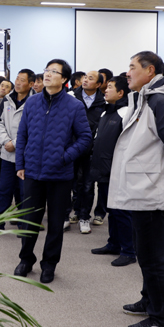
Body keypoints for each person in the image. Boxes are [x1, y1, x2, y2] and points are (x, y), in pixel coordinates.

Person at [109, 51, 164, 327]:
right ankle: (149, 301)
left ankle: (162, 320)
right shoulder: (145, 97)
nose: (127, 72)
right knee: (145, 253)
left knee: (154, 258)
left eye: (132, 67)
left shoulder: (161, 100)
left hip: (152, 191)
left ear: (150, 71)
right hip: (144, 188)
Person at [13, 59, 92, 284]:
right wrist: (20, 164)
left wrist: (64, 157)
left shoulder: (74, 106)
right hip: (32, 172)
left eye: (54, 72)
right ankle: (26, 259)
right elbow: (22, 135)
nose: (47, 74)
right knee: (30, 221)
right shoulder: (32, 102)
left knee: (56, 224)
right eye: (46, 70)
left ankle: (49, 264)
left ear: (64, 79)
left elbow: (85, 138)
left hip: (60, 175)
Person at [90, 76, 136, 266]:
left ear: (121, 93)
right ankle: (113, 244)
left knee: (122, 212)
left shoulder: (127, 113)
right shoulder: (105, 112)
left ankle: (129, 251)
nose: (105, 90)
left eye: (109, 87)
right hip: (103, 169)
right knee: (112, 210)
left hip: (119, 172)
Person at [0, 70, 35, 229]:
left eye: (22, 80)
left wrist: (15, 143)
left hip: (26, 156)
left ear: (31, 84)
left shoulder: (36, 102)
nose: (17, 82)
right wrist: (6, 141)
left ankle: (24, 225)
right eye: (17, 79)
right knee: (4, 190)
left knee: (24, 192)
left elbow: (35, 128)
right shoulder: (7, 99)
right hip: (7, 154)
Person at [67, 70, 106, 233]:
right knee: (69, 182)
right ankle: (68, 215)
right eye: (85, 77)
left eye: (90, 78)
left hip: (92, 149)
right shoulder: (71, 97)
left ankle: (84, 217)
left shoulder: (103, 101)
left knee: (88, 185)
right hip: (72, 147)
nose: (85, 80)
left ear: (98, 84)